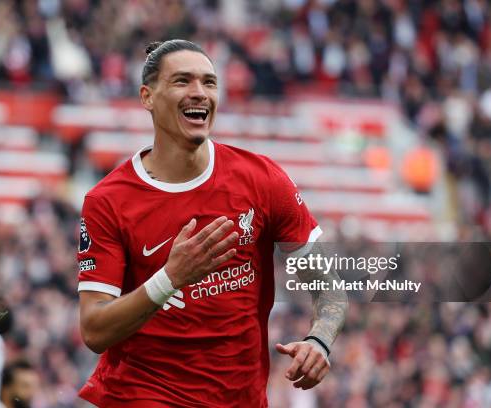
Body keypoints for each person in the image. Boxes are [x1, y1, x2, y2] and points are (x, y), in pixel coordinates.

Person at [77, 39, 347, 407]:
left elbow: (329, 288)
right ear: (147, 97)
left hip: (240, 398)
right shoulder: (108, 201)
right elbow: (94, 330)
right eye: (182, 81)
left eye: (209, 82)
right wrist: (169, 280)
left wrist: (320, 340)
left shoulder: (262, 180)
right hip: (143, 394)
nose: (199, 93)